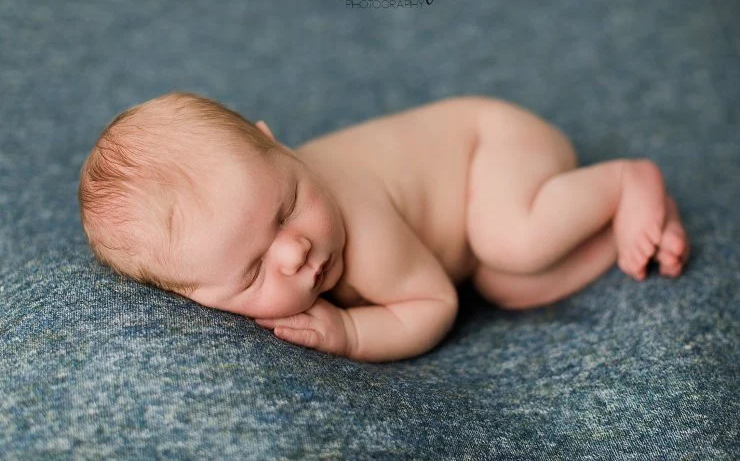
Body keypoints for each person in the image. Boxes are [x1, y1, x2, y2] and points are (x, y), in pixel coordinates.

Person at [78, 92, 689, 362]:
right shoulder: (258, 214)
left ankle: (624, 182)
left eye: (288, 207)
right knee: (507, 284)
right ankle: (620, 226)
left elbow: (435, 305)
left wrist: (350, 331)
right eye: (253, 271)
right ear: (196, 298)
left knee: (511, 242)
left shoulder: (363, 232)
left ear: (277, 144)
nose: (295, 251)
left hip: (494, 145)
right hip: (469, 215)